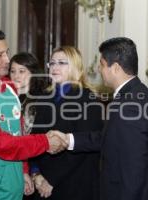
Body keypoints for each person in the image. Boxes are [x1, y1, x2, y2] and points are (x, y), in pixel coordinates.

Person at [0, 27, 66, 200]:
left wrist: (22, 171)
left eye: (6, 53)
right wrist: (45, 142)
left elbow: (17, 133)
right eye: (0, 55)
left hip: (11, 189)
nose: (7, 59)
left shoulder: (9, 89)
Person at [51, 37, 148, 200]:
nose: (99, 69)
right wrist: (68, 139)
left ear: (115, 68)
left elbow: (133, 169)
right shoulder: (133, 94)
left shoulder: (131, 104)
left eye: (102, 64)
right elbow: (107, 138)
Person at [29, 46, 103, 200]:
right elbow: (35, 138)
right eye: (52, 63)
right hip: (42, 181)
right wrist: (36, 173)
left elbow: (83, 145)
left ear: (75, 67)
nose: (55, 67)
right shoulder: (44, 97)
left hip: (75, 183)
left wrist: (52, 180)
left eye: (62, 63)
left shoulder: (88, 99)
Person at [9, 52, 48, 135]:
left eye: (21, 71)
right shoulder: (6, 95)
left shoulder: (42, 99)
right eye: (13, 71)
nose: (16, 76)